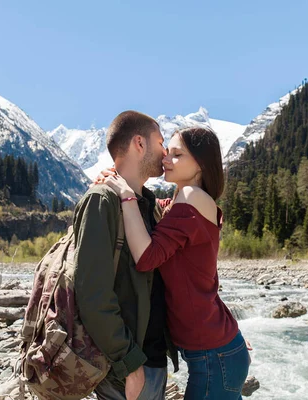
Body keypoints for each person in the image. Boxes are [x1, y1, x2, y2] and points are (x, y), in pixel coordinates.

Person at [102, 126, 251, 400]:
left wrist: (125, 194)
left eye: (177, 155)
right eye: (167, 153)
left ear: (201, 164)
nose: (166, 160)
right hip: (216, 349)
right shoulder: (182, 200)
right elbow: (160, 210)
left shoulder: (192, 199)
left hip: (213, 354)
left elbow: (147, 257)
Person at [73, 110, 178, 400]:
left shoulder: (148, 203)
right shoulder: (101, 200)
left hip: (152, 360)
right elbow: (92, 294)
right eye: (161, 142)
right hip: (127, 369)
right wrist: (129, 364)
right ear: (139, 144)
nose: (166, 151)